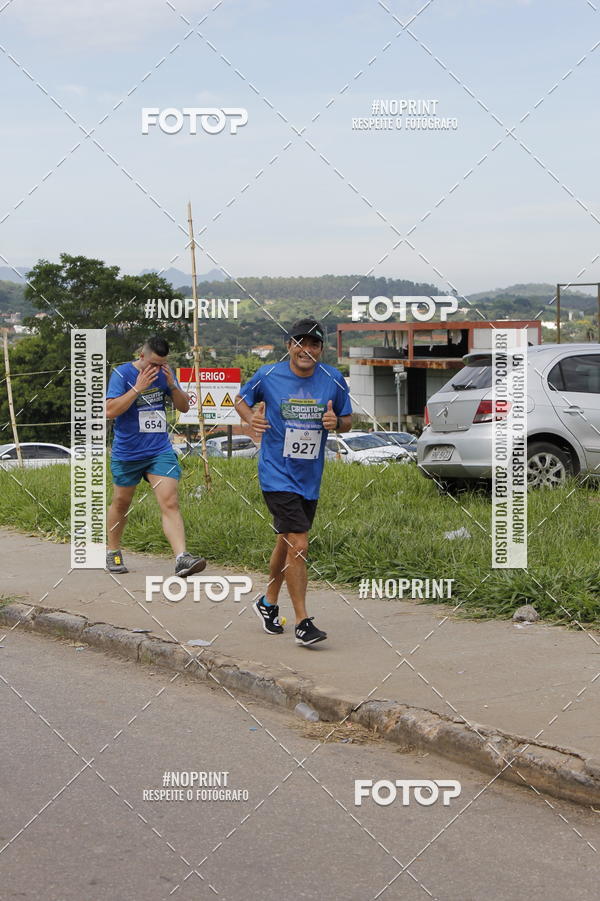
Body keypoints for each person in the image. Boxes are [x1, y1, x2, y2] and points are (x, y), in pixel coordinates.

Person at [235, 318, 352, 646]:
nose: (307, 349)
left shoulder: (333, 378)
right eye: (300, 342)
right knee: (299, 543)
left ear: (321, 349)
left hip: (309, 476)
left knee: (285, 542)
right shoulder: (268, 375)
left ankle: (267, 603)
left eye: (314, 344)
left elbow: (347, 419)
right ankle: (303, 622)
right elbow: (240, 400)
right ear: (289, 345)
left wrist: (336, 423)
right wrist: (251, 419)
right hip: (276, 472)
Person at [105, 335, 206, 577]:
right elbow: (110, 411)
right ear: (141, 356)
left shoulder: (164, 375)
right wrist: (137, 388)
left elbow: (184, 407)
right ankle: (113, 550)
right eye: (153, 364)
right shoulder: (122, 374)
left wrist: (171, 385)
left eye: (161, 364)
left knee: (170, 501)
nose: (157, 369)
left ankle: (182, 558)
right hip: (128, 452)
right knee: (121, 502)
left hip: (158, 450)